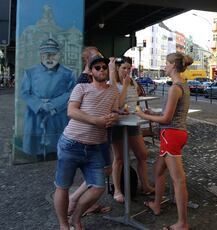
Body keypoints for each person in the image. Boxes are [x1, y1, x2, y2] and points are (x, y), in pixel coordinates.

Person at [53, 54, 119, 230]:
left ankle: (76, 217)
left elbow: (113, 110)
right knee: (63, 187)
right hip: (71, 144)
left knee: (98, 187)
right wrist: (96, 121)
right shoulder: (81, 87)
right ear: (90, 71)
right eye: (97, 67)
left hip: (95, 147)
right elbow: (71, 111)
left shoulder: (113, 90)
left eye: (104, 67)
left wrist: (114, 116)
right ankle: (63, 225)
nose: (102, 70)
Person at [136, 52, 193, 230]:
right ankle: (156, 205)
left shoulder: (175, 88)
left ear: (173, 66)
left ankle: (182, 223)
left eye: (166, 64)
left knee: (178, 180)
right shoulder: (182, 85)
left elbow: (167, 119)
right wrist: (155, 113)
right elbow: (171, 113)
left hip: (171, 135)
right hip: (178, 134)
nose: (164, 66)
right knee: (158, 170)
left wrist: (142, 114)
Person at [67, 47, 112, 216]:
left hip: (97, 132)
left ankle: (87, 203)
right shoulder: (84, 80)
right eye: (98, 56)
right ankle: (76, 200)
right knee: (103, 170)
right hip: (91, 134)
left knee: (103, 170)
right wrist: (96, 120)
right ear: (89, 60)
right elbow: (74, 110)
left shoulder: (88, 77)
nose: (101, 60)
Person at [20, 38, 76, 159]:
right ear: (41, 56)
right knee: (37, 149)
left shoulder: (68, 73)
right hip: (36, 116)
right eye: (46, 55)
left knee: (57, 148)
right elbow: (25, 92)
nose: (49, 58)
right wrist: (39, 105)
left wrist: (54, 104)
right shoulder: (30, 72)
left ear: (59, 55)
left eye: (53, 54)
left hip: (58, 115)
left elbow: (72, 91)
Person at [108, 56, 154, 203]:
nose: (127, 71)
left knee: (142, 154)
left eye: (129, 68)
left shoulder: (132, 81)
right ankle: (117, 190)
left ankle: (145, 185)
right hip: (118, 124)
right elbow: (118, 104)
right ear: (117, 69)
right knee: (120, 158)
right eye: (124, 68)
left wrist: (142, 110)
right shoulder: (112, 83)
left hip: (133, 122)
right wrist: (126, 86)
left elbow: (134, 101)